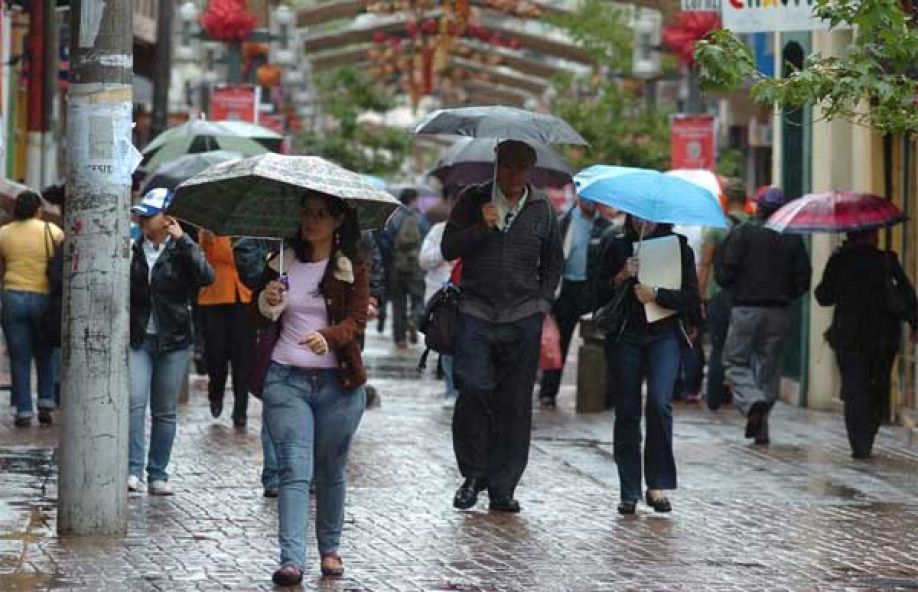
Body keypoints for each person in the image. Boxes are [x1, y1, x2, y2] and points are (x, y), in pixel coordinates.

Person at [443, 139, 563, 513]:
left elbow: (553, 263)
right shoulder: (472, 198)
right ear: (496, 164)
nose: (512, 174)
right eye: (506, 165)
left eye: (520, 167)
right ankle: (473, 474)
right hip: (476, 310)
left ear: (531, 170)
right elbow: (449, 248)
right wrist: (481, 226)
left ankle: (503, 485)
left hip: (522, 315)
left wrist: (541, 305)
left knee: (514, 404)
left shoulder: (543, 208)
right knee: (474, 389)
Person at [255, 192, 368, 586]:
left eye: (321, 215)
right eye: (306, 213)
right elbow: (264, 310)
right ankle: (291, 560)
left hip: (340, 383)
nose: (311, 221)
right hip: (286, 379)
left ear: (338, 221)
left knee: (330, 468)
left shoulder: (349, 265)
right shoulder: (283, 260)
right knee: (294, 468)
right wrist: (269, 300)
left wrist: (329, 336)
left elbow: (356, 320)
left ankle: (330, 548)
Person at [597, 214, 701, 514]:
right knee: (627, 409)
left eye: (651, 216)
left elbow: (691, 298)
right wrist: (620, 277)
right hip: (625, 337)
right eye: (637, 214)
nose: (645, 221)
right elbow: (596, 293)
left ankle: (656, 485)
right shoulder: (616, 244)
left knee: (659, 403)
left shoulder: (678, 247)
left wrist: (657, 294)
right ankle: (628, 490)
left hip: (664, 336)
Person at [128, 188, 214, 494]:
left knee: (164, 410)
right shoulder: (132, 247)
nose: (142, 220)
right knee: (134, 402)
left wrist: (185, 240)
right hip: (139, 338)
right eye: (141, 214)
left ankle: (158, 474)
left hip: (174, 339)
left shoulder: (181, 250)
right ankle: (132, 469)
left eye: (150, 216)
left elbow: (207, 277)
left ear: (168, 219)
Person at [716, 187, 811, 446]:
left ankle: (752, 403)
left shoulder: (742, 233)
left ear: (757, 207)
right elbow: (803, 277)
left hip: (745, 309)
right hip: (778, 312)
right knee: (769, 370)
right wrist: (785, 293)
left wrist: (738, 288)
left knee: (735, 362)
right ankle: (761, 428)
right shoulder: (792, 238)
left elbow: (724, 272)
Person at [815, 229, 917, 459]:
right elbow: (907, 293)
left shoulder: (840, 261)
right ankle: (870, 428)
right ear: (873, 236)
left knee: (854, 388)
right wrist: (914, 322)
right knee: (878, 384)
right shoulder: (886, 260)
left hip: (849, 335)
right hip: (883, 336)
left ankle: (859, 442)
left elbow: (823, 296)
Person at [538, 195, 610, 409]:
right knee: (558, 341)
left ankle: (602, 393)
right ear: (578, 197)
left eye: (593, 197)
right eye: (585, 197)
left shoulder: (605, 227)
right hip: (567, 288)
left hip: (593, 290)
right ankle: (548, 392)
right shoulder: (562, 222)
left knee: (600, 340)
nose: (589, 201)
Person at [0, 191, 63, 426]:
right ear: (38, 210)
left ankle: (23, 410)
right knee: (45, 353)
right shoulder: (52, 231)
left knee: (19, 357)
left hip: (12, 296)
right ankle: (46, 401)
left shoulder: (4, 233)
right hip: (43, 298)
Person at [698, 178, 749, 410]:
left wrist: (700, 296)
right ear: (746, 199)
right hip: (747, 296)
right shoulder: (755, 226)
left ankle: (715, 397)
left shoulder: (716, 226)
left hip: (719, 294)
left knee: (719, 346)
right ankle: (743, 396)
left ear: (725, 199)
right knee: (744, 349)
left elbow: (706, 263)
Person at [197, 231, 256, 427]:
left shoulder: (248, 232)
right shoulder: (210, 229)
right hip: (215, 295)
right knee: (216, 352)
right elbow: (204, 254)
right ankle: (216, 394)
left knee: (243, 357)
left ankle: (241, 409)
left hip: (243, 296)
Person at [379, 188, 430, 348]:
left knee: (398, 303)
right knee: (418, 299)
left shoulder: (393, 218)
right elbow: (426, 242)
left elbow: (384, 242)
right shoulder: (421, 219)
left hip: (396, 266)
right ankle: (414, 321)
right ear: (414, 200)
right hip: (416, 267)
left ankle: (400, 339)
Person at [419, 218, 458, 407]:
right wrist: (446, 249)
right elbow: (424, 260)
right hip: (445, 298)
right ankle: (451, 390)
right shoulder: (439, 230)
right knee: (449, 344)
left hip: (474, 295)